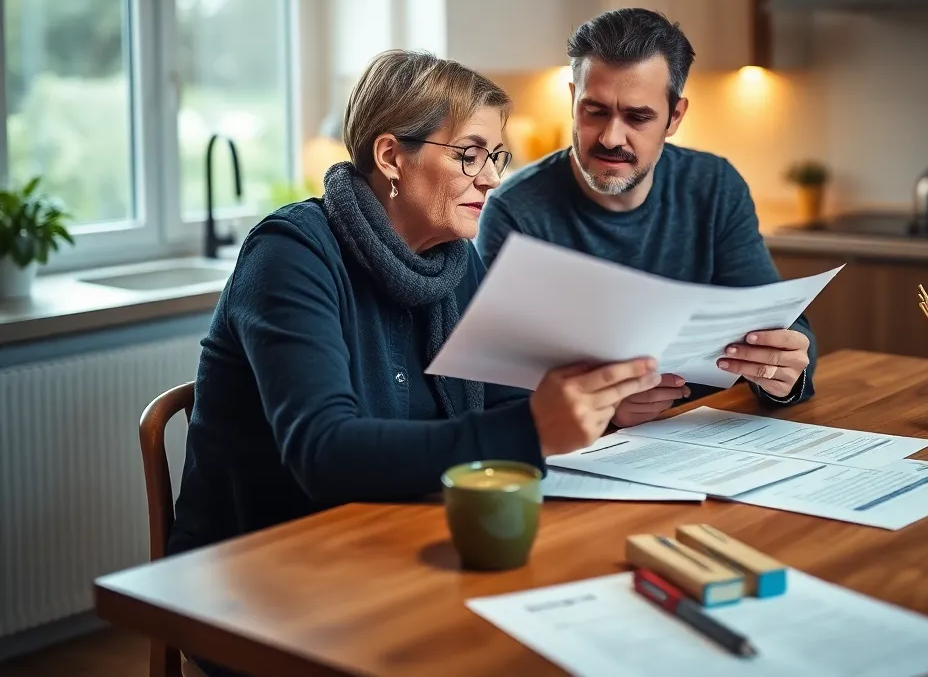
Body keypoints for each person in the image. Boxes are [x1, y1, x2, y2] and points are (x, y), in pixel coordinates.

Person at [168, 49, 659, 556]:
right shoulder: (290, 254)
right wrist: (533, 427)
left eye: (496, 156)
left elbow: (507, 403)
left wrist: (593, 407)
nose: (491, 178)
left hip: (401, 534)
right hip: (265, 560)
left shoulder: (456, 261)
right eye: (470, 153)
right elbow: (324, 453)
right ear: (390, 157)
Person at [476, 8, 816, 428]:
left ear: (675, 117)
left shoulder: (715, 186)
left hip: (708, 432)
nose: (610, 138)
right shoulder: (512, 211)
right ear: (572, 101)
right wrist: (599, 410)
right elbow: (490, 386)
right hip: (584, 456)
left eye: (637, 117)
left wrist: (782, 374)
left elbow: (778, 323)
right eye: (594, 111)